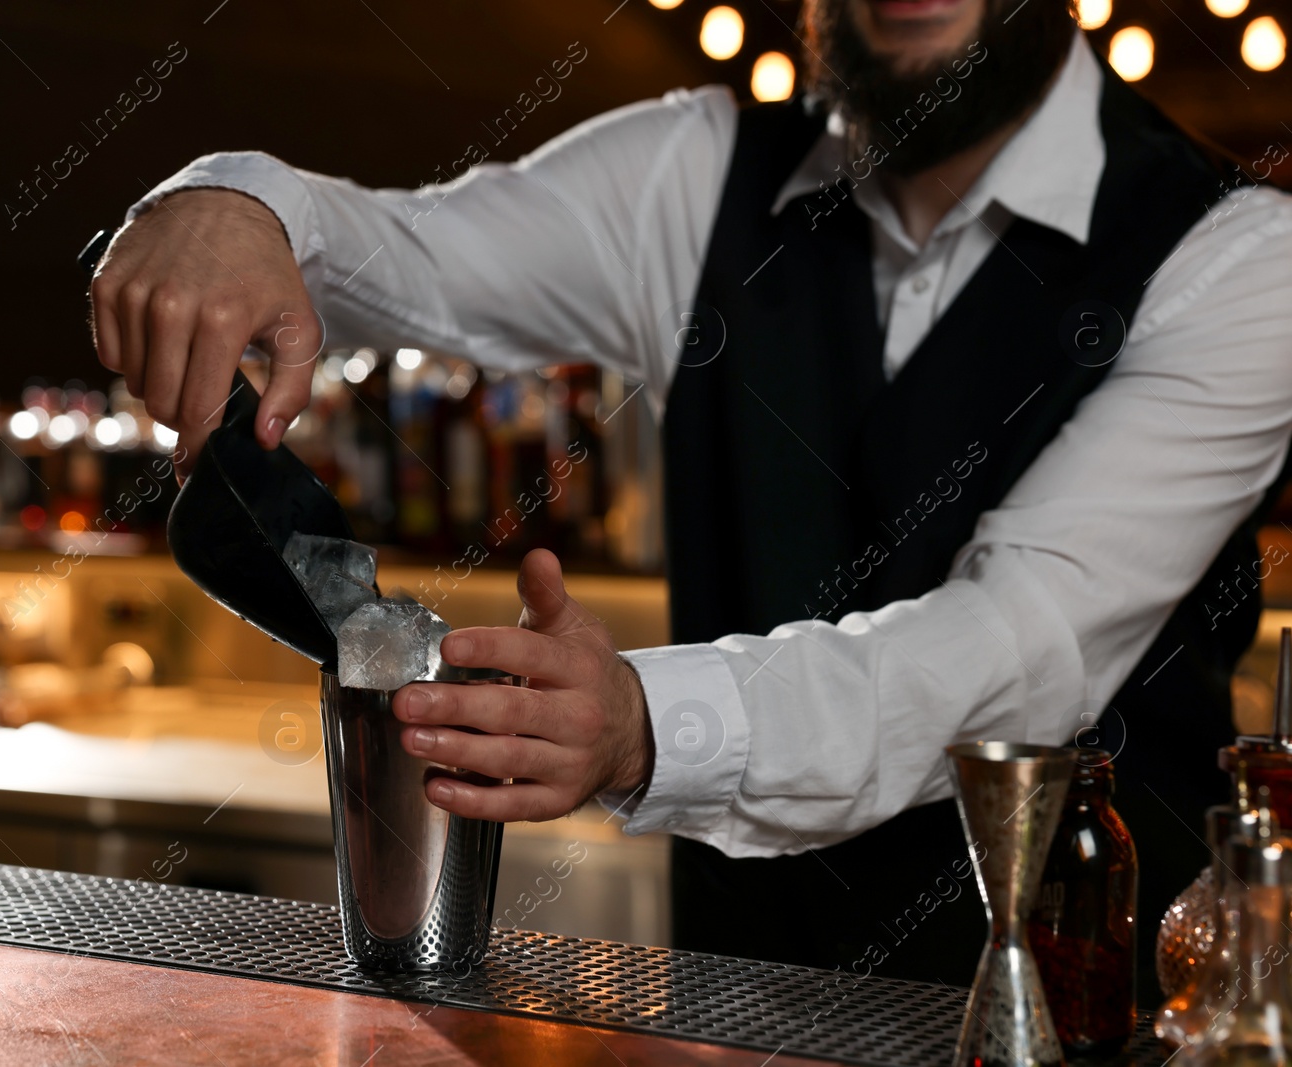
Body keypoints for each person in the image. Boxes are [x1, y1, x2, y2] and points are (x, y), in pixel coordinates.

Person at [89, 0, 1292, 994]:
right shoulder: (699, 169)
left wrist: (638, 720)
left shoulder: (1239, 260)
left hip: (1086, 1009)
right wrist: (238, 204)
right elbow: (413, 254)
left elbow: (1011, 649)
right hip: (731, 1011)